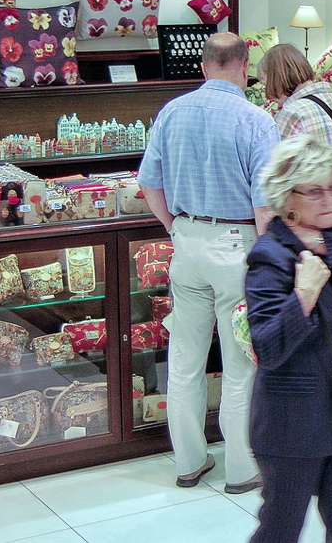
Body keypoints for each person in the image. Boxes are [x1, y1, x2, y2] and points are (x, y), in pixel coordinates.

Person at [138, 31, 279, 494]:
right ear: (244, 67)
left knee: (184, 360)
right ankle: (241, 469)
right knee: (240, 363)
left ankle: (189, 463)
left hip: (187, 241)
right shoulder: (257, 120)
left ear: (203, 67)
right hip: (237, 244)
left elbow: (149, 182)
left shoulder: (171, 112)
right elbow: (265, 204)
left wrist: (174, 227)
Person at [245, 135, 332, 543]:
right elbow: (268, 347)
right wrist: (303, 295)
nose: (329, 200)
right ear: (288, 197)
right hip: (291, 423)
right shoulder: (269, 256)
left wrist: (323, 246)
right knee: (280, 529)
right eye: (315, 191)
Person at [257, 43, 332, 227]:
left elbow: (279, 180)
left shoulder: (291, 115)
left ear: (275, 78)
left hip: (311, 223)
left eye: (265, 83)